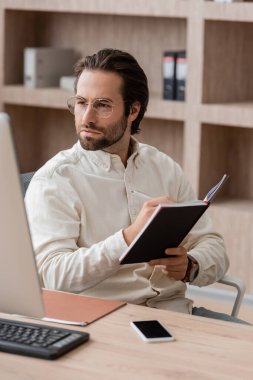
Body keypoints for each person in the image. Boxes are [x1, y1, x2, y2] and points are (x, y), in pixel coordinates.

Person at [25, 48, 247, 324]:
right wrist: (127, 238)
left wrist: (190, 265)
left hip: (178, 314)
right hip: (105, 322)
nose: (87, 117)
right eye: (82, 102)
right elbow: (52, 275)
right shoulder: (55, 180)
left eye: (103, 105)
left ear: (133, 110)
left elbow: (213, 246)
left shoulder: (163, 167)